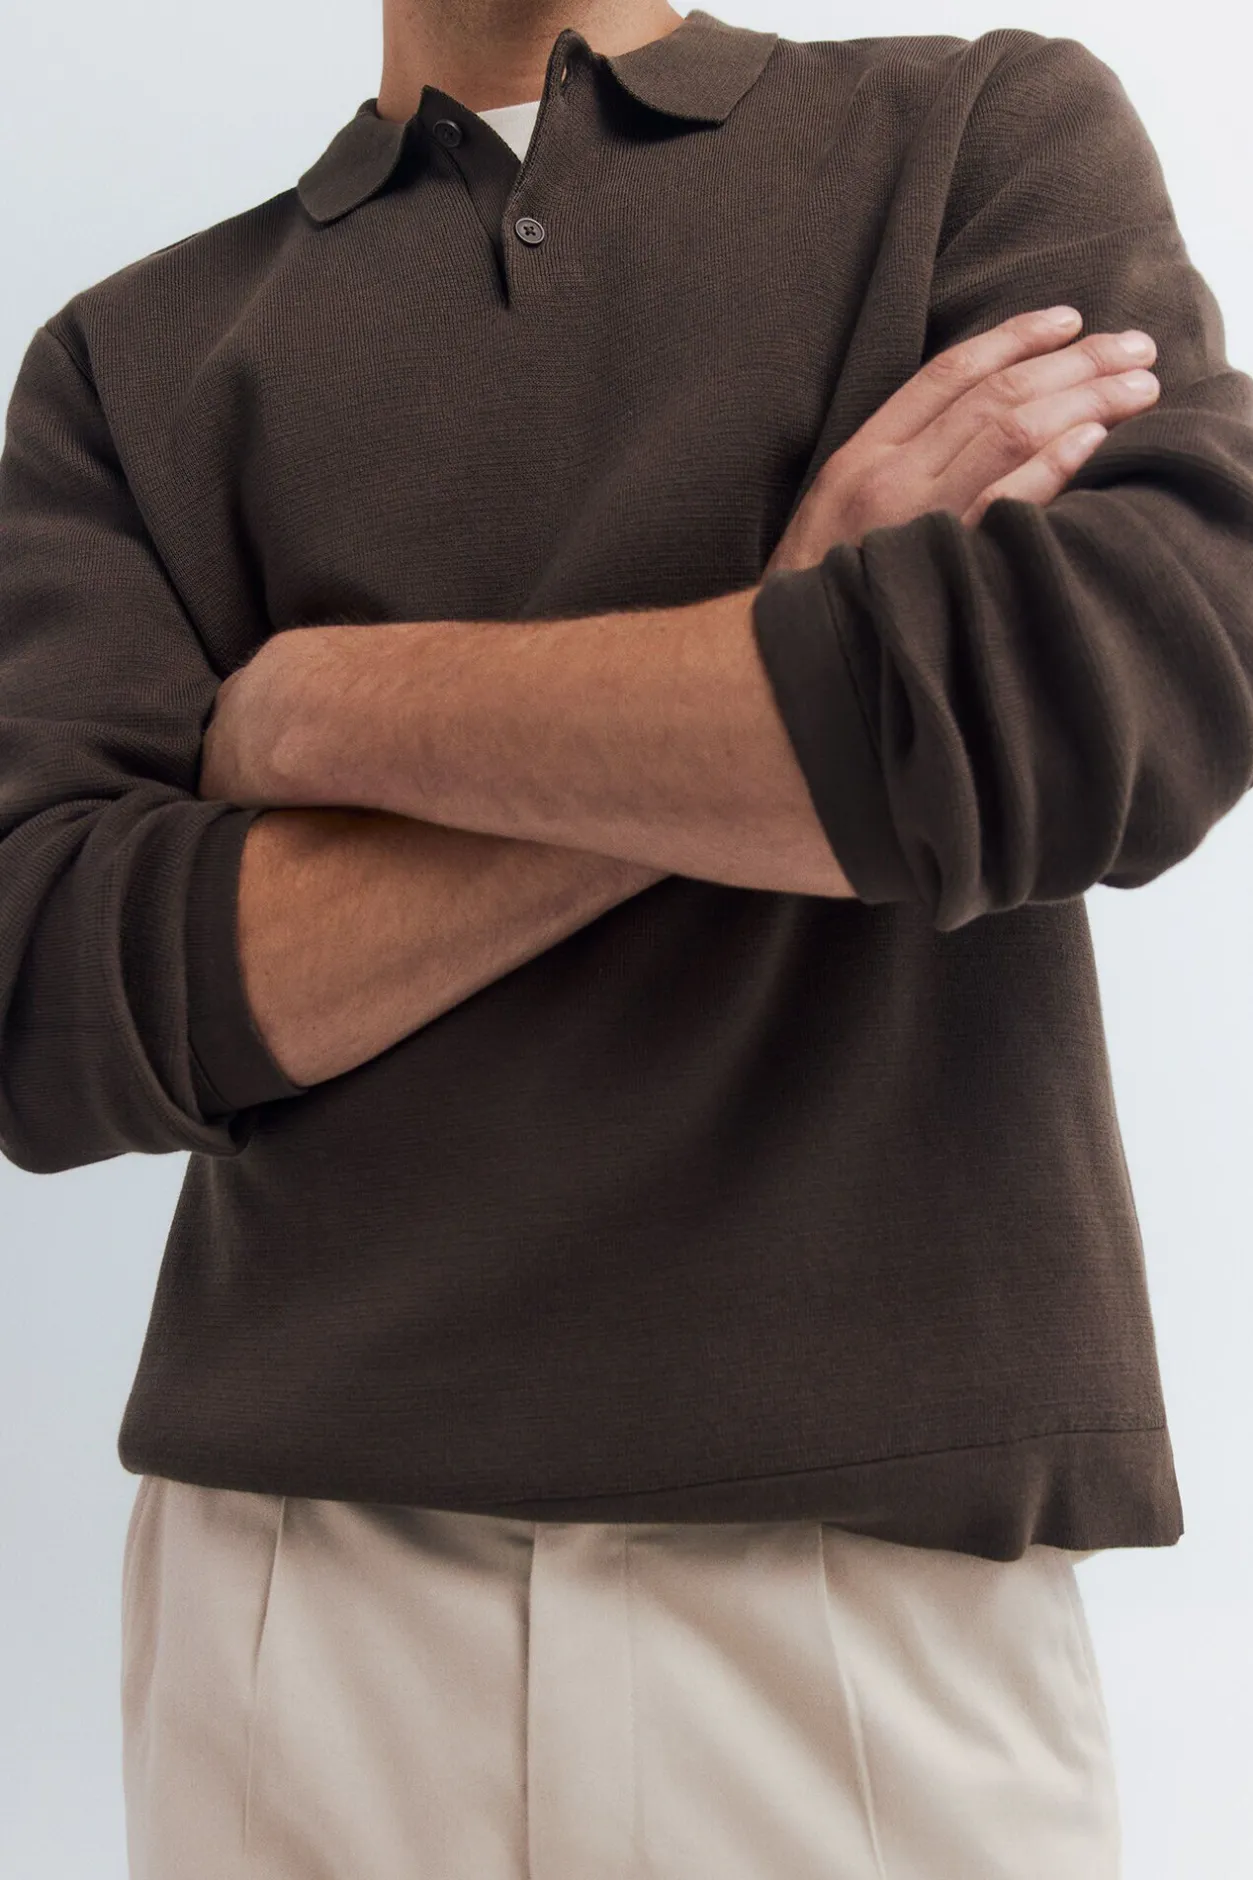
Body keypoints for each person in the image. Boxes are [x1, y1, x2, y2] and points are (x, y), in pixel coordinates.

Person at [3, 3, 1251, 1875]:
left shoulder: (977, 139)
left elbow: (1105, 697)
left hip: (864, 1610)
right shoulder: (128, 360)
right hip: (297, 1602)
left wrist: (324, 712)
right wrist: (800, 639)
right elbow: (54, 991)